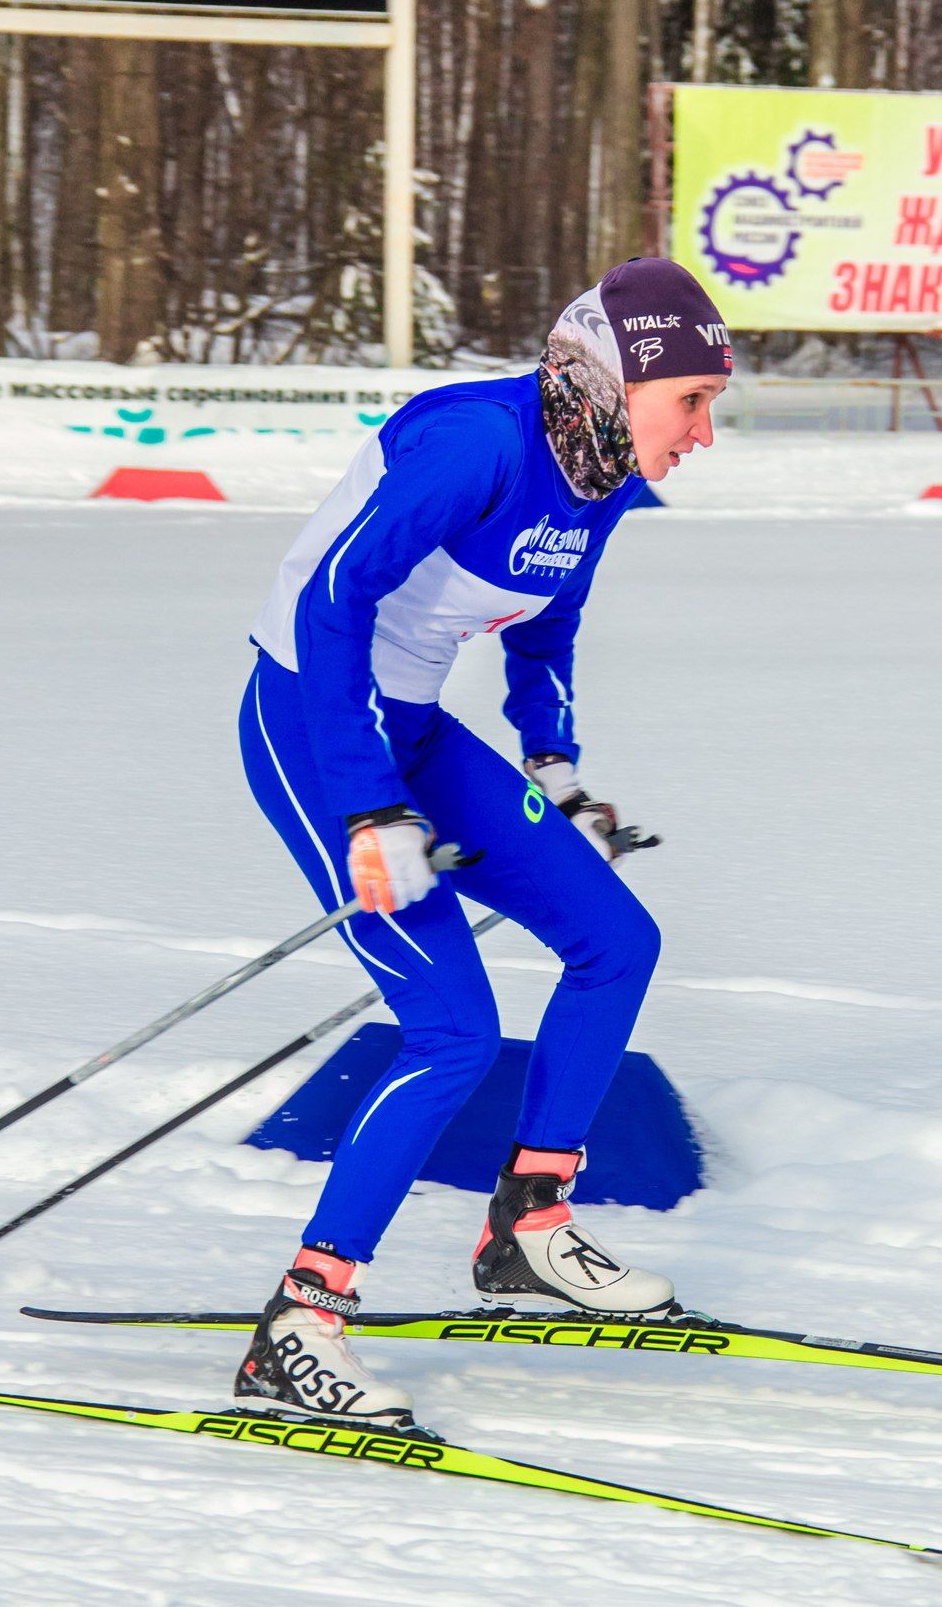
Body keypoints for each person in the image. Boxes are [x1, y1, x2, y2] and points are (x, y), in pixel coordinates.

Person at [234, 259, 732, 1427]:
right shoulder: (476, 445)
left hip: (412, 733)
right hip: (313, 726)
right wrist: (367, 808)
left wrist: (554, 771)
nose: (706, 433)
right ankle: (301, 1320)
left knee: (616, 942)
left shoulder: (599, 472)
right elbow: (331, 604)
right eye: (694, 401)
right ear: (615, 384)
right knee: (450, 1031)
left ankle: (531, 1225)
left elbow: (548, 626)